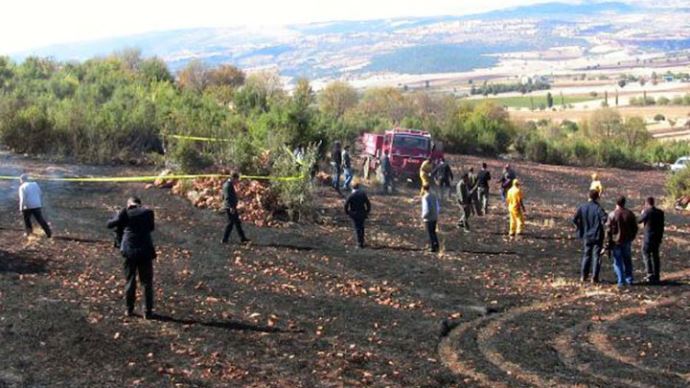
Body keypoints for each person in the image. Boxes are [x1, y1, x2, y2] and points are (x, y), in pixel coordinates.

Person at [107, 197, 156, 318]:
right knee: (146, 282)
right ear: (140, 204)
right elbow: (151, 228)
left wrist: (119, 215)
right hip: (145, 251)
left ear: (129, 204)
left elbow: (109, 224)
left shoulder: (125, 212)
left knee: (130, 281)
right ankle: (147, 311)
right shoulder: (148, 212)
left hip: (129, 251)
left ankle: (129, 309)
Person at [573, 190, 608, 283]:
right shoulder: (598, 208)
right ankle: (594, 277)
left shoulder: (582, 207)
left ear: (588, 196)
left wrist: (579, 227)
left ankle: (583, 276)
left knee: (586, 255)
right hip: (597, 235)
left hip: (586, 235)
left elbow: (574, 219)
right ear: (597, 197)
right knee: (596, 256)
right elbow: (605, 218)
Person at [606, 196, 638, 288]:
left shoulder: (612, 214)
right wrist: (632, 237)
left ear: (616, 203)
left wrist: (608, 241)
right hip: (627, 240)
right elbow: (635, 228)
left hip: (616, 241)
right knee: (627, 260)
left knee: (618, 261)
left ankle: (621, 281)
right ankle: (629, 279)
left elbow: (608, 230)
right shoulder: (630, 214)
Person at [638, 197, 665, 284]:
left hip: (648, 237)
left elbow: (639, 220)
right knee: (655, 256)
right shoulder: (660, 213)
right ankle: (657, 275)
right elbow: (662, 226)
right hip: (657, 237)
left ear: (646, 203)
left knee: (646, 253)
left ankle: (649, 273)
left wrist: (642, 213)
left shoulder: (647, 212)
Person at [18, 174, 52, 238]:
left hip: (28, 206)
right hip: (37, 204)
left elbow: (22, 199)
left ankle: (29, 233)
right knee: (40, 219)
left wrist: (21, 208)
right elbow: (40, 193)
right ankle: (48, 232)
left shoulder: (22, 187)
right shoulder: (35, 184)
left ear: (22, 180)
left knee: (27, 220)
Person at [221, 172, 250, 245]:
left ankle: (243, 238)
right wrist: (231, 207)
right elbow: (227, 198)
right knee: (230, 223)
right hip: (230, 207)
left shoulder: (227, 184)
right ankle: (224, 239)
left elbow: (224, 196)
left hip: (231, 207)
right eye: (237, 180)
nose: (237, 181)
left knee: (237, 223)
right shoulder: (228, 186)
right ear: (233, 178)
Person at [344, 181, 371, 248]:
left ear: (352, 187)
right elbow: (368, 204)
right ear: (359, 187)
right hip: (362, 213)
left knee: (357, 228)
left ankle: (359, 243)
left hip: (354, 214)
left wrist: (348, 212)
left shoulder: (351, 195)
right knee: (362, 228)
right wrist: (367, 211)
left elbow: (346, 205)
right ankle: (362, 241)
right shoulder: (363, 194)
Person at [421, 184, 440, 252]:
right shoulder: (434, 195)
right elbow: (438, 206)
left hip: (428, 217)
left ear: (423, 189)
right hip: (434, 216)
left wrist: (423, 216)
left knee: (430, 233)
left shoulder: (425, 197)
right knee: (433, 232)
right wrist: (436, 214)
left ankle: (432, 246)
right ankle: (437, 245)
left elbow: (426, 208)